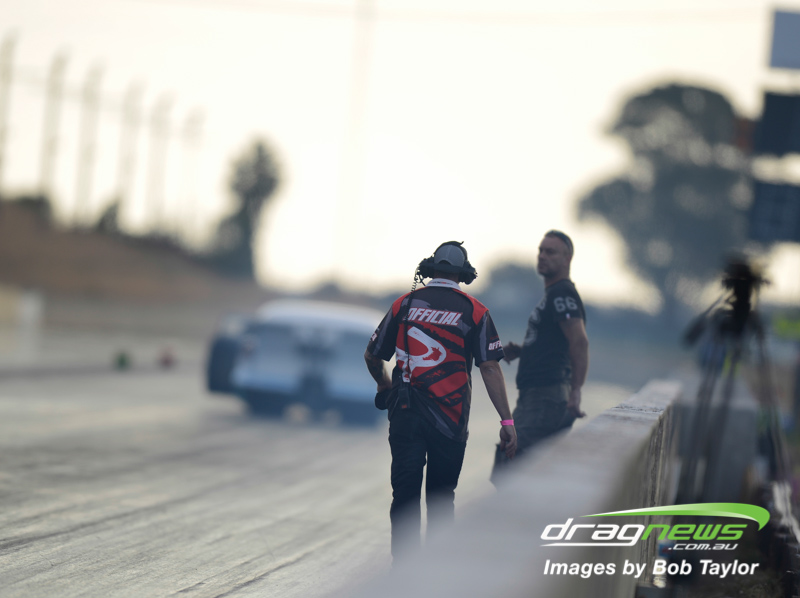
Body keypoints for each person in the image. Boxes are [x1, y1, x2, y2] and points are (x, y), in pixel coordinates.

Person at [364, 241, 517, 558]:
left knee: (404, 497)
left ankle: (403, 574)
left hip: (405, 414)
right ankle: (435, 574)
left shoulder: (403, 304)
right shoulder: (476, 311)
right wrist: (507, 420)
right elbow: (490, 368)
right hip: (451, 421)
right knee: (441, 498)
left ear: (430, 269)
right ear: (464, 275)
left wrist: (384, 384)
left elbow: (372, 355)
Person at [492, 230, 588, 479]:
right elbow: (558, 344)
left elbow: (579, 341)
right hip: (539, 396)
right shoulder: (554, 294)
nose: (542, 256)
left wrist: (576, 391)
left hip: (545, 397)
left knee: (509, 462)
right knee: (527, 467)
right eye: (541, 251)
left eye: (551, 252)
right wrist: (526, 352)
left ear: (567, 258)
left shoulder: (562, 293)